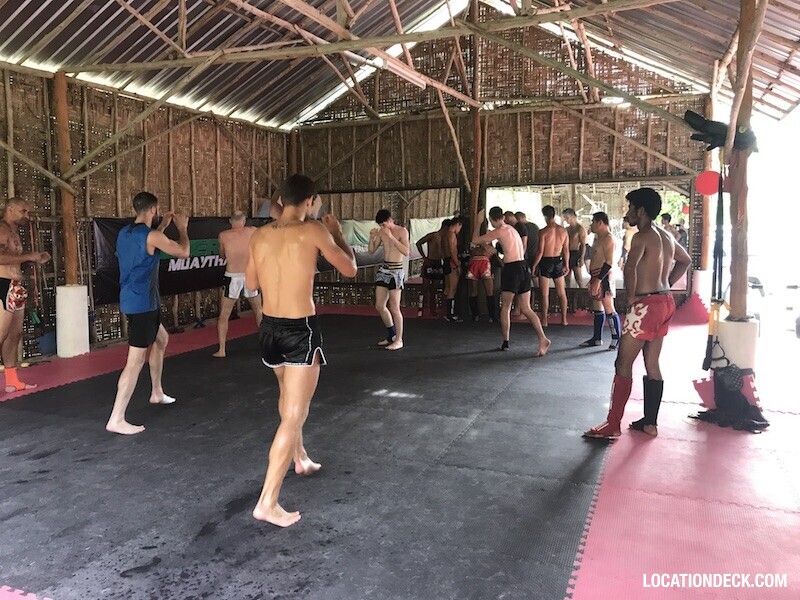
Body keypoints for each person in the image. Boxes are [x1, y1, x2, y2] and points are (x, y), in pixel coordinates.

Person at [246, 174, 356, 527]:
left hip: (269, 327)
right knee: (294, 414)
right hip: (300, 331)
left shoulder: (259, 235)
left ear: (281, 199)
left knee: (288, 400)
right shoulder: (314, 230)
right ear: (311, 200)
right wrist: (336, 231)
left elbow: (250, 284)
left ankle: (301, 456)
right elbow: (351, 269)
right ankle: (268, 502)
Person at [584, 188, 691, 439]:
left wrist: (633, 298)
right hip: (665, 301)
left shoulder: (642, 236)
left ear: (640, 210)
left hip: (647, 305)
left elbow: (631, 267)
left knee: (622, 362)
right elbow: (685, 261)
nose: (627, 212)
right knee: (652, 363)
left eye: (630, 207)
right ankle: (650, 423)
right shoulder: (666, 236)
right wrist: (665, 284)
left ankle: (612, 425)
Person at [105, 192, 190, 435]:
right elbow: (183, 252)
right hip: (142, 304)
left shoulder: (125, 233)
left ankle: (156, 392)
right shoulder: (151, 236)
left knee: (162, 339)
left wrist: (163, 225)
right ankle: (116, 418)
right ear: (154, 209)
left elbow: (149, 241)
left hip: (137, 301)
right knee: (134, 363)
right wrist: (182, 228)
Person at [473, 207, 550, 356]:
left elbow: (475, 240)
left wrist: (477, 223)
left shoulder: (500, 230)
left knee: (506, 307)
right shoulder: (511, 229)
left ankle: (506, 342)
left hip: (512, 269)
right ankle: (543, 338)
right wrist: (489, 247)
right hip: (523, 267)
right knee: (526, 308)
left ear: (491, 219)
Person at [0, 198, 51, 393]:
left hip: (15, 286)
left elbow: (13, 259)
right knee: (1, 334)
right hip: (3, 285)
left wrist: (34, 258)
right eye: (23, 211)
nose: (26, 216)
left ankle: (12, 380)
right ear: (10, 209)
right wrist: (29, 256)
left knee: (15, 335)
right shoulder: (2, 229)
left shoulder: (13, 232)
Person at [213, 211, 262, 358]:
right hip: (250, 274)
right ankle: (266, 346)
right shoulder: (253, 231)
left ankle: (222, 349)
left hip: (233, 275)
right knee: (259, 311)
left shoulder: (223, 235)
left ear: (230, 221)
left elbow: (222, 255)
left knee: (224, 314)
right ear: (244, 220)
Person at [580, 212, 622, 350]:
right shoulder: (598, 238)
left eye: (593, 221)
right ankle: (597, 338)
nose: (591, 224)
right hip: (596, 275)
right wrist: (593, 279)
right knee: (597, 307)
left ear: (600, 223)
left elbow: (609, 262)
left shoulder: (609, 239)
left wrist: (598, 280)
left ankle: (616, 338)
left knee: (609, 306)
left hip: (604, 276)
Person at [369, 209, 410, 350]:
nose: (382, 227)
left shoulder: (402, 231)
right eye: (380, 225)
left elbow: (406, 251)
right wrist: (372, 237)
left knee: (394, 307)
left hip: (396, 271)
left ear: (390, 221)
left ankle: (399, 339)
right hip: (384, 270)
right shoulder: (381, 232)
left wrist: (391, 237)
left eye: (384, 224)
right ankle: (391, 334)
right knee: (379, 305)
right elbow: (371, 250)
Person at [532, 205, 570, 327]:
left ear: (545, 216)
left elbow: (540, 252)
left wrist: (534, 265)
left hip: (546, 261)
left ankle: (544, 320)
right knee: (562, 293)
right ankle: (564, 319)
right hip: (558, 261)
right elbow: (566, 250)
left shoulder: (543, 231)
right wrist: (567, 264)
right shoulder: (563, 231)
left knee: (544, 293)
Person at [416, 219, 449, 317]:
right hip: (430, 262)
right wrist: (424, 257)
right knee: (425, 287)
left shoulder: (446, 238)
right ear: (446, 228)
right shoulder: (433, 235)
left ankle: (432, 310)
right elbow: (419, 243)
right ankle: (420, 309)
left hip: (438, 263)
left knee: (434, 288)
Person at [466, 241, 497, 322]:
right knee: (489, 291)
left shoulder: (474, 239)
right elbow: (494, 252)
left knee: (474, 292)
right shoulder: (486, 239)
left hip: (475, 261)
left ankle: (475, 316)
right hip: (483, 261)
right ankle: (491, 316)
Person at [442, 217, 464, 322]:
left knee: (447, 288)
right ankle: (449, 315)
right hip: (451, 262)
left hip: (446, 261)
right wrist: (457, 264)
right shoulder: (451, 235)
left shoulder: (445, 234)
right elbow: (452, 251)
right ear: (458, 224)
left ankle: (446, 313)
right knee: (452, 289)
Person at [563, 208, 586, 287]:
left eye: (567, 217)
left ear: (572, 216)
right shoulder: (566, 229)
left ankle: (582, 296)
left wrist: (582, 258)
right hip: (566, 253)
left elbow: (583, 245)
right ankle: (569, 296)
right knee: (567, 278)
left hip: (575, 253)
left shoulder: (580, 229)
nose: (566, 220)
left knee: (578, 278)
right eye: (565, 218)